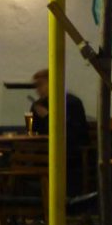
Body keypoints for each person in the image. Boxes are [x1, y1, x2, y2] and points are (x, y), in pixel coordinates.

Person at [29, 68, 91, 196]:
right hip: (44, 152)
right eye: (36, 86)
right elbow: (36, 132)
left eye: (41, 85)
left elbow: (74, 134)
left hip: (68, 152)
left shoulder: (71, 103)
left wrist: (47, 117)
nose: (37, 90)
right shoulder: (38, 105)